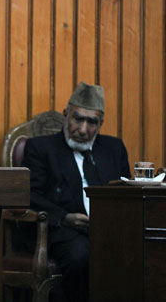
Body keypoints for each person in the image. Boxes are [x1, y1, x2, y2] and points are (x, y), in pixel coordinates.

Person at [22, 82, 130, 302]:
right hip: (59, 231)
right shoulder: (41, 148)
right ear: (66, 115)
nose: (83, 129)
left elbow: (125, 192)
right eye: (77, 119)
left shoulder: (113, 148)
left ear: (101, 123)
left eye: (92, 122)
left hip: (107, 230)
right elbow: (29, 195)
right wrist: (65, 218)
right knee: (81, 255)